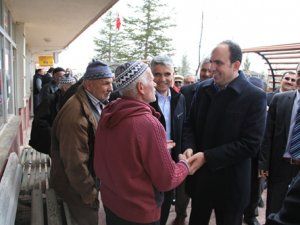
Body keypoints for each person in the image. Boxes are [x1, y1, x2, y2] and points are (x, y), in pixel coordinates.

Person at [93, 61, 194, 225]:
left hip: (112, 203)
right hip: (138, 212)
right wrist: (184, 164)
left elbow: (118, 154)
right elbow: (167, 180)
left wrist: (155, 147)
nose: (155, 83)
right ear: (141, 87)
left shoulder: (110, 112)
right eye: (151, 78)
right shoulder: (148, 124)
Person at [182, 40, 267, 225]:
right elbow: (190, 124)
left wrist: (207, 157)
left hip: (231, 185)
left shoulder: (255, 96)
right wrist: (189, 146)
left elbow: (251, 144)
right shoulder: (203, 89)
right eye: (212, 61)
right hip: (201, 181)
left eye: (218, 63)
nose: (211, 68)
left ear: (236, 65)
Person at [50, 60, 113, 225]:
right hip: (76, 188)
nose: (111, 88)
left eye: (111, 83)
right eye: (106, 83)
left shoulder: (93, 102)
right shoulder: (75, 115)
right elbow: (75, 163)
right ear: (89, 85)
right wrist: (90, 194)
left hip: (82, 183)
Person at [149, 55, 187, 225]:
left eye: (167, 74)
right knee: (151, 205)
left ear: (173, 74)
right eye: (157, 74)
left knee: (165, 205)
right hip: (150, 162)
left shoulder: (180, 99)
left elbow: (184, 127)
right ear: (150, 76)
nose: (162, 79)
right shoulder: (145, 99)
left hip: (171, 161)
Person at [259, 65, 300, 218]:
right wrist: (263, 169)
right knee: (274, 213)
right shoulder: (280, 99)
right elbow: (267, 137)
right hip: (280, 167)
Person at [29, 75, 76, 155]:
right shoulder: (51, 100)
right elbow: (39, 121)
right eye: (72, 87)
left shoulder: (71, 100)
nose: (75, 90)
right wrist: (54, 135)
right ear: (65, 87)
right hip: (55, 142)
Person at [243, 76, 267, 225]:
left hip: (262, 158)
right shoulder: (240, 109)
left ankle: (251, 214)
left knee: (258, 186)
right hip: (244, 157)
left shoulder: (270, 108)